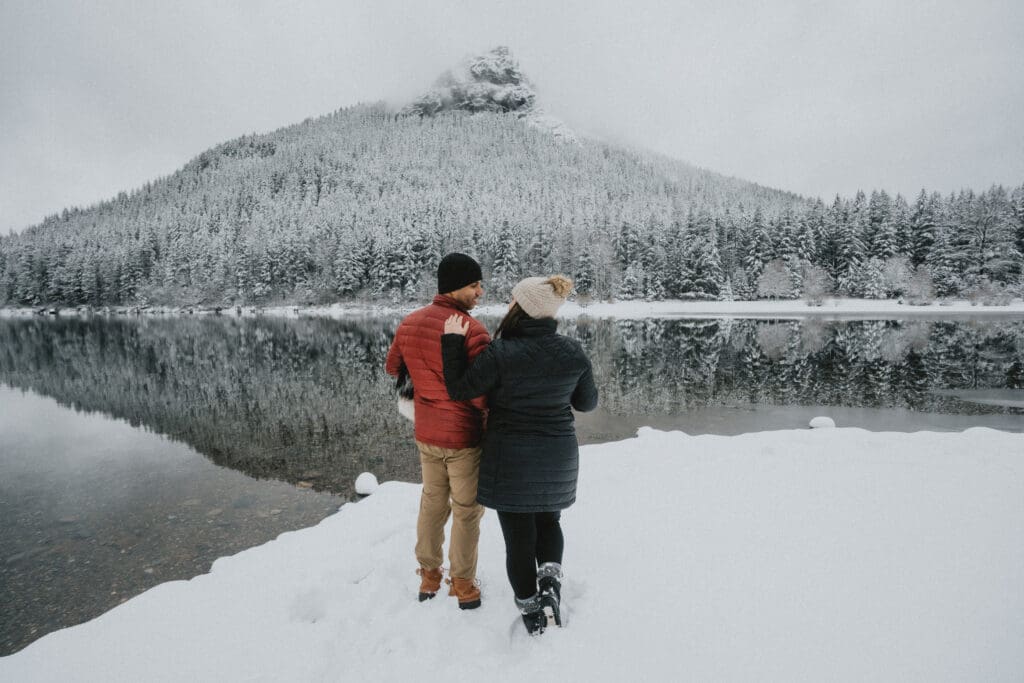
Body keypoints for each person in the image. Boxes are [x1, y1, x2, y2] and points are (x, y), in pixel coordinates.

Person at [440, 274, 598, 635]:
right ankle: (550, 584)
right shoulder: (572, 352)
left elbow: (461, 389)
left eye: (513, 301)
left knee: (518, 537)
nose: (509, 305)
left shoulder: (501, 352)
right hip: (557, 456)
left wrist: (452, 343)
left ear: (522, 309)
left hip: (510, 458)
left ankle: (531, 610)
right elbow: (587, 403)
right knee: (549, 522)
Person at [385, 253, 490, 609]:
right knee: (467, 510)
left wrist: (425, 380)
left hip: (427, 434)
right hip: (463, 437)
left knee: (432, 503)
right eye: (474, 285)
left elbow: (392, 367)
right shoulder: (472, 330)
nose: (480, 291)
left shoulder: (410, 322)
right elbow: (480, 392)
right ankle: (463, 584)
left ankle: (429, 576)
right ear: (456, 287)